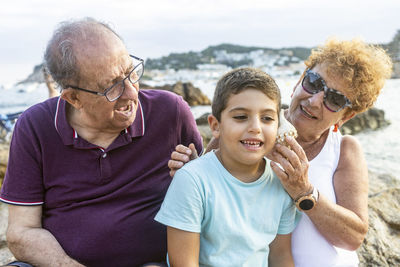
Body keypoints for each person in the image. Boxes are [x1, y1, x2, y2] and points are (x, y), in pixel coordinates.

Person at [168, 38, 393, 266]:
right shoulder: (246, 134)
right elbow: (210, 187)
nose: (315, 100)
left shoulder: (344, 149)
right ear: (299, 81)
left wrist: (304, 191)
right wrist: (194, 168)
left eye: (334, 99)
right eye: (314, 82)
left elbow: (353, 237)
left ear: (346, 116)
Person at [0, 18, 203, 267]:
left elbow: (212, 201)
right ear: (73, 97)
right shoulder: (34, 127)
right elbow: (22, 232)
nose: (131, 93)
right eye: (111, 86)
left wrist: (196, 175)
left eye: (131, 73)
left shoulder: (171, 112)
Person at [155, 67, 298, 267]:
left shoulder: (279, 182)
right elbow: (184, 263)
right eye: (240, 117)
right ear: (215, 126)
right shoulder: (192, 180)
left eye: (267, 118)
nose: (255, 127)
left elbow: (280, 257)